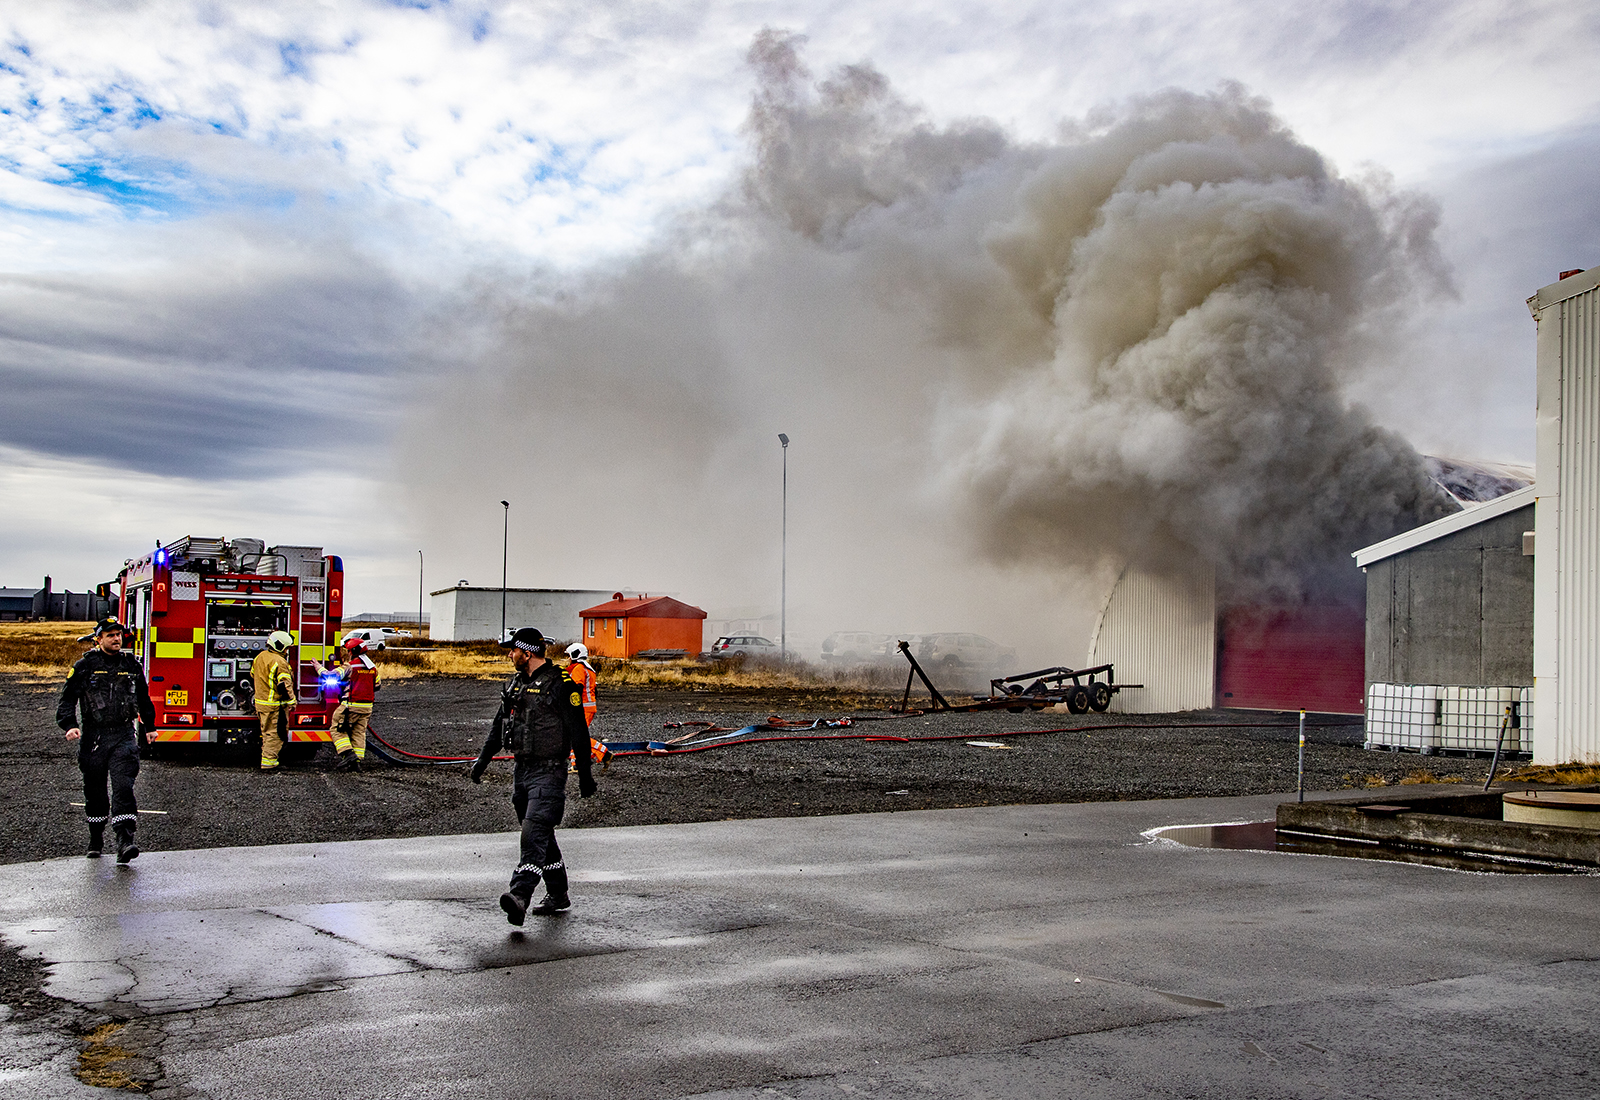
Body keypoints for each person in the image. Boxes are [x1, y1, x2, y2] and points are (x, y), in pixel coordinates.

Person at [471, 627, 597, 924]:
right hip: (522, 771)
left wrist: (585, 776)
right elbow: (497, 727)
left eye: (512, 650)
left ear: (527, 652)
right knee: (541, 835)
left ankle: (519, 896)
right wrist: (482, 761)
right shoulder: (515, 685)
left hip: (550, 772)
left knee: (533, 834)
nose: (509, 654)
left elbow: (579, 732)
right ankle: (558, 893)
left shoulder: (562, 685)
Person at [56, 618, 155, 862]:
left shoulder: (131, 664)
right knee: (95, 791)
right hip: (94, 737)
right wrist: (69, 725)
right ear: (99, 639)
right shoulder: (85, 666)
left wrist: (150, 727)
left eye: (119, 634)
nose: (116, 639)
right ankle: (95, 838)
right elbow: (67, 699)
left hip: (123, 734)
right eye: (110, 635)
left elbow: (143, 697)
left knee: (123, 786)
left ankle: (125, 841)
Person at [315, 636, 379, 771]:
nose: (348, 653)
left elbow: (329, 676)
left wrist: (318, 667)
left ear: (353, 651)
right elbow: (377, 685)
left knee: (336, 729)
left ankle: (348, 754)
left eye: (349, 650)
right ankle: (357, 763)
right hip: (367, 708)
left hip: (350, 706)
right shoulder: (372, 668)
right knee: (359, 733)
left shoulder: (350, 666)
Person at [252, 630, 296, 772]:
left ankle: (268, 760)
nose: (287, 651)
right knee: (275, 735)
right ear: (280, 646)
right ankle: (268, 764)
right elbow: (284, 685)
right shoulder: (280, 662)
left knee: (266, 733)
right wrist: (292, 701)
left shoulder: (260, 657)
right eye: (287, 648)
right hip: (274, 705)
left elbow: (253, 673)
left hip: (261, 703)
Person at [564, 642, 611, 770]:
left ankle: (603, 753)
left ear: (575, 655)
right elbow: (594, 691)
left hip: (582, 708)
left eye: (569, 655)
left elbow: (577, 688)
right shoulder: (589, 669)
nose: (568, 659)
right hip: (588, 707)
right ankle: (577, 764)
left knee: (577, 736)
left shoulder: (579, 668)